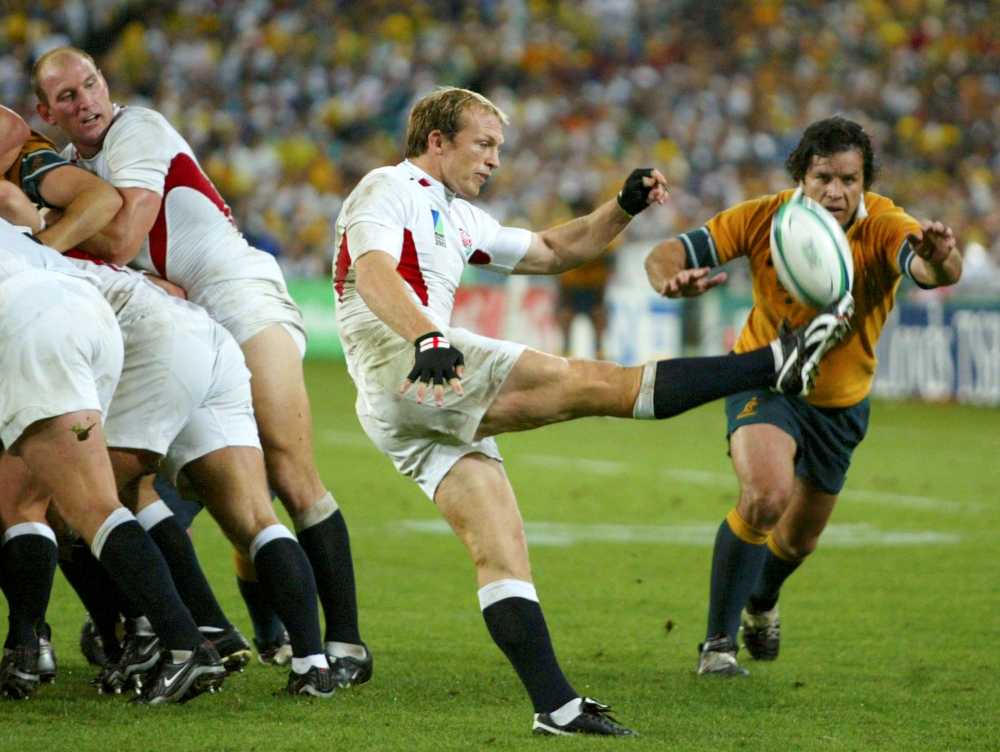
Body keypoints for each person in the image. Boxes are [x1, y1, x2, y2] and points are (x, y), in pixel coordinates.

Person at [332, 86, 848, 736]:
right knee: (589, 382)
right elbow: (372, 269)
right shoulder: (388, 187)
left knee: (501, 546)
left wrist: (624, 206)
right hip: (404, 362)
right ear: (437, 141)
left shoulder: (456, 214)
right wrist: (428, 337)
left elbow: (554, 250)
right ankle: (771, 363)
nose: (494, 159)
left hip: (399, 399)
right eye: (483, 144)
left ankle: (557, 708)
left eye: (499, 147)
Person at [32, 47, 369, 683]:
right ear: (46, 111)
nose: (86, 103)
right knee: (163, 485)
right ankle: (209, 627)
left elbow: (127, 238)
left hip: (238, 295)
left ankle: (345, 643)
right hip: (184, 325)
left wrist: (45, 237)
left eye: (91, 84)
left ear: (107, 84)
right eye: (68, 97)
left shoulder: (138, 128)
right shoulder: (75, 170)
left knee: (286, 464)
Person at [643, 116, 963, 676]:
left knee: (796, 543)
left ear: (865, 181)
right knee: (766, 495)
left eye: (849, 179)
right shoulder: (764, 216)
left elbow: (933, 271)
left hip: (840, 406)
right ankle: (718, 645)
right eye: (824, 178)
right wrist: (670, 278)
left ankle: (761, 604)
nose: (837, 191)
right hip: (764, 379)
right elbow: (668, 252)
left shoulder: (886, 224)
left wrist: (940, 255)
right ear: (802, 176)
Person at [0, 219, 225, 704]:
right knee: (23, 499)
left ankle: (186, 646)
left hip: (31, 327)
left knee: (87, 506)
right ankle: (28, 646)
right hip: (93, 319)